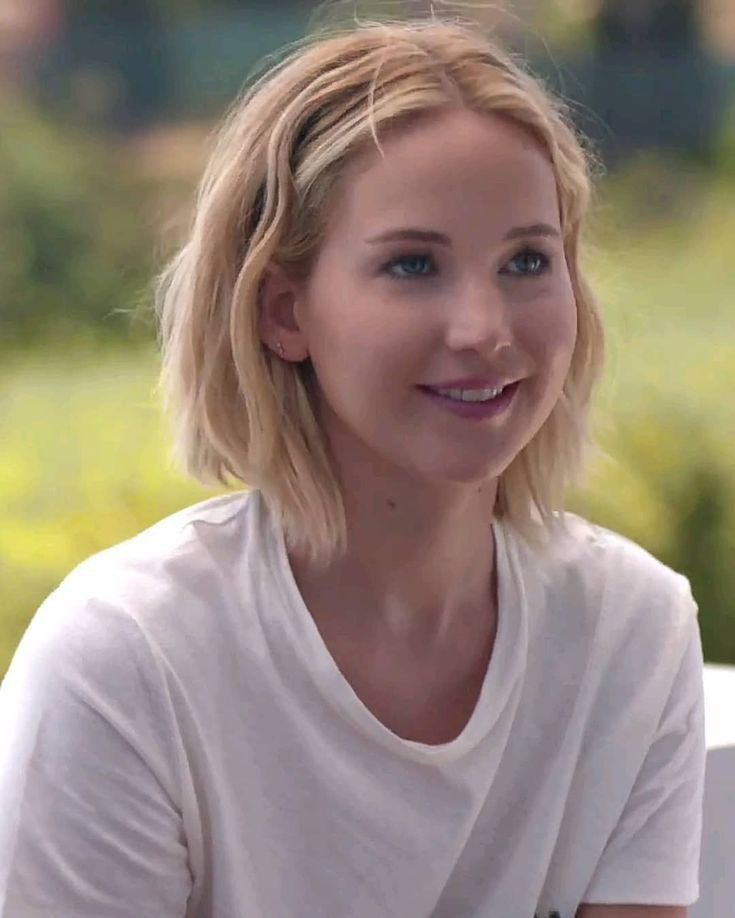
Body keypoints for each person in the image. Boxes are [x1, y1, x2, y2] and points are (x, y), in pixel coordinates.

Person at [0, 15, 706, 918]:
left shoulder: (631, 632)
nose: (484, 329)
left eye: (527, 259)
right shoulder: (126, 660)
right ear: (282, 313)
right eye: (413, 264)